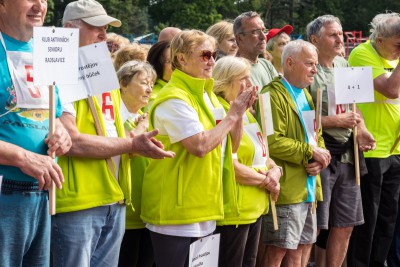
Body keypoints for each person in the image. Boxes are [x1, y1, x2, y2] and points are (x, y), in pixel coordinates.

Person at [51, 1, 175, 267]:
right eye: (96, 27)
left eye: (106, 29)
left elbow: (113, 128)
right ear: (70, 29)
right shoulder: (58, 67)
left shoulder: (98, 66)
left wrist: (137, 136)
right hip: (77, 201)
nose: (103, 36)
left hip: (114, 197)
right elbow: (71, 140)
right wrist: (132, 144)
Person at [141, 29, 255, 267]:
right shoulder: (174, 98)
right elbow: (200, 145)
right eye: (205, 55)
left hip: (205, 209)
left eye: (213, 54)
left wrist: (240, 114)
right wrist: (232, 116)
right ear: (181, 58)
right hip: (177, 213)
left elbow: (229, 148)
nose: (212, 60)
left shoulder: (207, 95)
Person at [0, 0, 72, 266]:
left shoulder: (46, 52)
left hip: (42, 194)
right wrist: (22, 157)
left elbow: (54, 116)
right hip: (4, 194)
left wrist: (62, 134)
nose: (39, 5)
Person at [306, 14, 376, 267]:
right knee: (314, 226)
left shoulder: (345, 66)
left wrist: (362, 130)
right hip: (320, 154)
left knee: (345, 224)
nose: (340, 39)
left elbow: (354, 110)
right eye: (333, 34)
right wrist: (334, 122)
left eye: (341, 33)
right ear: (315, 39)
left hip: (349, 157)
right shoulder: (307, 69)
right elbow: (296, 118)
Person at [260, 40, 331, 267]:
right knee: (278, 252)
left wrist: (320, 158)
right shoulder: (270, 94)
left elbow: (315, 136)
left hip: (308, 187)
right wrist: (311, 151)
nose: (315, 69)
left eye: (316, 64)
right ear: (289, 63)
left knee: (302, 250)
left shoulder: (306, 95)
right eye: (309, 63)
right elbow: (272, 143)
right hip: (287, 190)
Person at [212, 55, 282, 267]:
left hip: (255, 208)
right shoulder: (219, 112)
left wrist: (276, 172)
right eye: (243, 78)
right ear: (226, 81)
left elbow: (263, 154)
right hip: (233, 211)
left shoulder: (247, 114)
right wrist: (266, 181)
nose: (250, 85)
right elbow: (229, 165)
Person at [346, 12, 400, 267]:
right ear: (379, 40)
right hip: (371, 149)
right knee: (369, 218)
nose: (398, 52)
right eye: (397, 46)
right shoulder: (362, 54)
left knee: (388, 219)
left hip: (395, 148)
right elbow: (391, 88)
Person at [117, 61, 157, 267]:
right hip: (124, 214)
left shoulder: (147, 117)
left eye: (151, 83)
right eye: (143, 83)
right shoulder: (114, 117)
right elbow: (121, 146)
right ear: (123, 84)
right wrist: (141, 127)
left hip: (148, 212)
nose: (150, 89)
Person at [234, 11, 278, 93]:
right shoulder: (234, 70)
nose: (263, 36)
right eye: (255, 32)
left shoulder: (267, 65)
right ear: (239, 38)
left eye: (264, 31)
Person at [146, 40, 173, 110]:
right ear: (158, 65)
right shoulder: (154, 98)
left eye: (179, 59)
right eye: (170, 61)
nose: (177, 64)